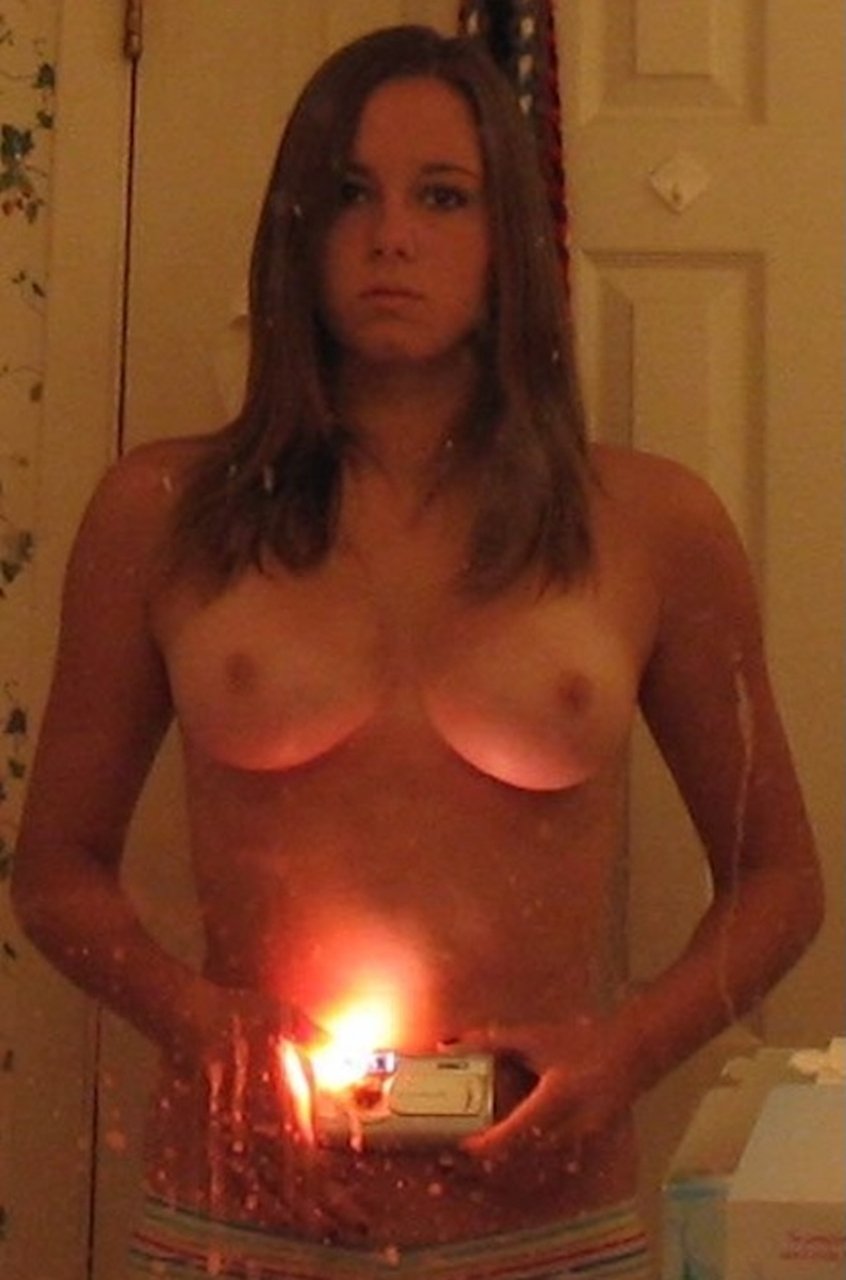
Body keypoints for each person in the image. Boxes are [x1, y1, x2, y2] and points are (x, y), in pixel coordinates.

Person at [12, 23, 823, 1280]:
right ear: (297, 230)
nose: (392, 236)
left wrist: (626, 1051)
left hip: (549, 1220)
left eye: (443, 196)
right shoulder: (164, 513)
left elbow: (779, 879)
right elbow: (57, 869)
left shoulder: (650, 525)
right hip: (240, 1215)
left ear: (510, 241)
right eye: (351, 194)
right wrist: (206, 1028)